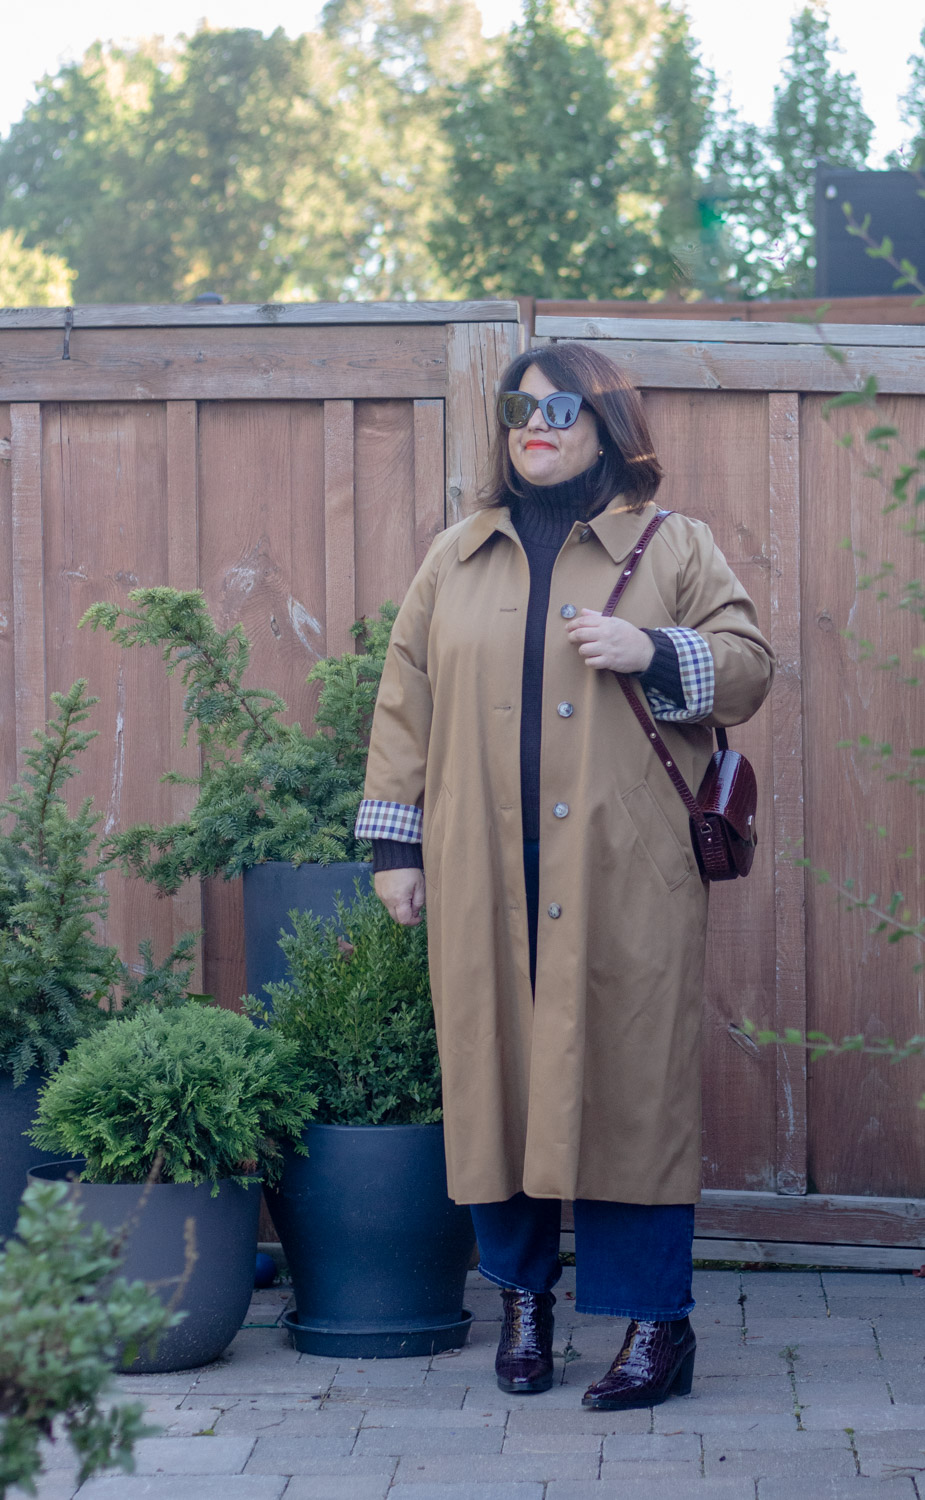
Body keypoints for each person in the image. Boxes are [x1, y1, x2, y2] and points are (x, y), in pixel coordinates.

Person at [355, 342, 773, 1410]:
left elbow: (749, 663)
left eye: (559, 408)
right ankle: (522, 1304)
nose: (534, 425)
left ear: (607, 424)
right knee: (494, 1081)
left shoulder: (674, 546)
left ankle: (653, 1327)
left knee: (631, 1087)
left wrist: (655, 651)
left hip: (622, 872)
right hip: (479, 867)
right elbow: (404, 700)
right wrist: (395, 852)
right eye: (518, 410)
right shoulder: (456, 554)